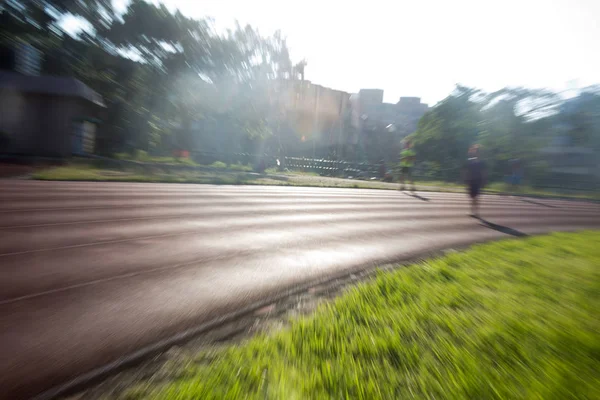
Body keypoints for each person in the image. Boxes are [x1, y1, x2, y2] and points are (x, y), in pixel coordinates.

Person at [465, 144, 486, 217]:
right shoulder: (470, 160)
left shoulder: (481, 162)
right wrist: (466, 179)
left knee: (475, 196)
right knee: (472, 196)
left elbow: (483, 172)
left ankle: (475, 212)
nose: (474, 152)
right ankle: (474, 212)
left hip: (478, 180)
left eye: (476, 151)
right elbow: (467, 170)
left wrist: (483, 181)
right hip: (471, 180)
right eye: (474, 150)